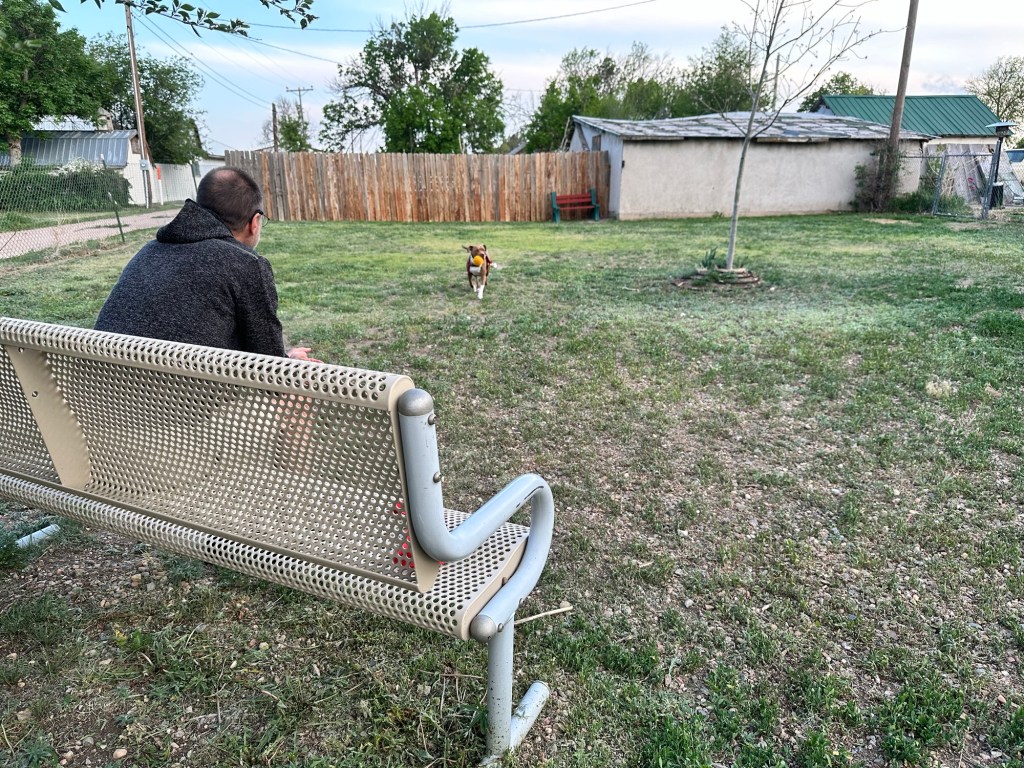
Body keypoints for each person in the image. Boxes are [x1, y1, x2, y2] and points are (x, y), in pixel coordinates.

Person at [95, 166, 317, 361]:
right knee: (299, 395)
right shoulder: (247, 264)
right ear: (255, 222)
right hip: (177, 406)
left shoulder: (149, 250)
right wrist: (289, 360)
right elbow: (272, 371)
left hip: (100, 398)